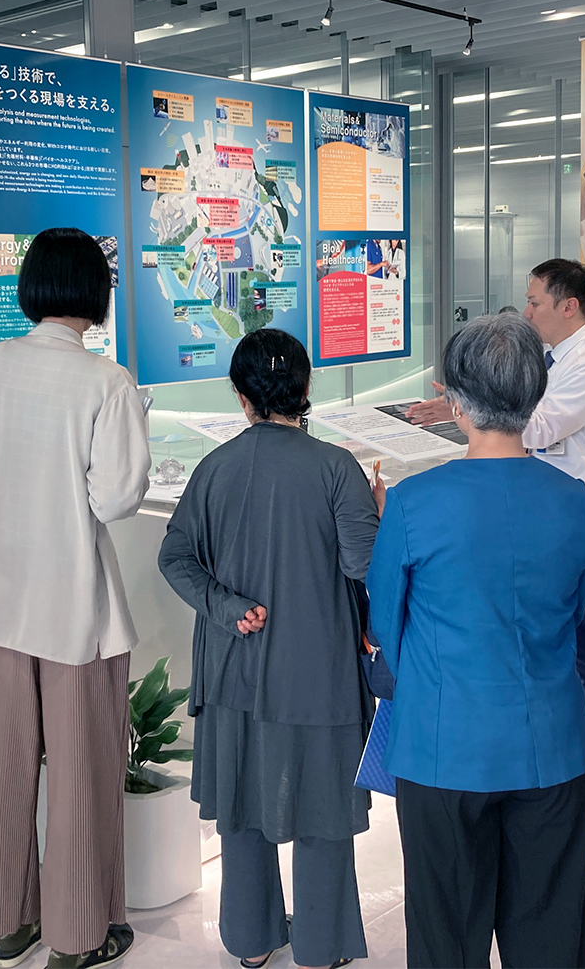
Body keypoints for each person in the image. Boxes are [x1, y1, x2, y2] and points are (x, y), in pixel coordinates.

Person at [368, 313, 585, 969]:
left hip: (443, 747)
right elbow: (578, 602)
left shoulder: (413, 502)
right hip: (552, 742)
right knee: (551, 934)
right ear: (535, 396)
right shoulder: (574, 499)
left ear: (456, 404)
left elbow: (386, 624)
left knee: (446, 937)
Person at [0, 228, 150, 969]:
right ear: (97, 292)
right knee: (79, 775)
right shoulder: (107, 381)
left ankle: (11, 920)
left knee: (0, 770)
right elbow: (116, 498)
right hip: (71, 610)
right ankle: (77, 932)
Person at [157, 328, 380, 969]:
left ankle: (251, 941)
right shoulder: (336, 468)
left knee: (243, 809)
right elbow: (364, 564)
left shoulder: (213, 467)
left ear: (240, 395)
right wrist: (378, 512)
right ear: (305, 388)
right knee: (324, 814)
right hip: (318, 670)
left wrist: (228, 608)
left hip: (233, 666)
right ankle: (320, 946)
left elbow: (174, 558)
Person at [407, 260, 585, 776]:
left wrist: (469, 409)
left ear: (569, 306)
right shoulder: (551, 358)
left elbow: (537, 427)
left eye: (534, 302)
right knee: (545, 626)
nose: (526, 313)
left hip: (583, 506)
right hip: (544, 501)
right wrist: (465, 408)